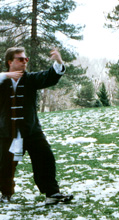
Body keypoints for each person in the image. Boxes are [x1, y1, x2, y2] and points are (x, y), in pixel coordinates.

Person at [0, 47, 73, 205]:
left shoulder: (30, 79)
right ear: (10, 62)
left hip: (31, 130)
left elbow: (49, 77)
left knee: (45, 158)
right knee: (4, 165)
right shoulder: (2, 80)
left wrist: (58, 62)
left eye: (26, 59)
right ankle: (5, 193)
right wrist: (5, 75)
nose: (24, 62)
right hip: (7, 132)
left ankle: (52, 193)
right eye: (20, 59)